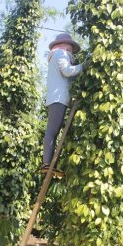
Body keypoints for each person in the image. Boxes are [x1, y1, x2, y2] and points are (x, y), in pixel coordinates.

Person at [41, 33, 83, 173]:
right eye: (70, 49)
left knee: (54, 129)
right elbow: (67, 71)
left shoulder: (55, 56)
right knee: (52, 131)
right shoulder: (61, 53)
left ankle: (48, 163)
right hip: (58, 98)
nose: (71, 52)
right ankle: (47, 163)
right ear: (66, 46)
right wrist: (84, 66)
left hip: (56, 98)